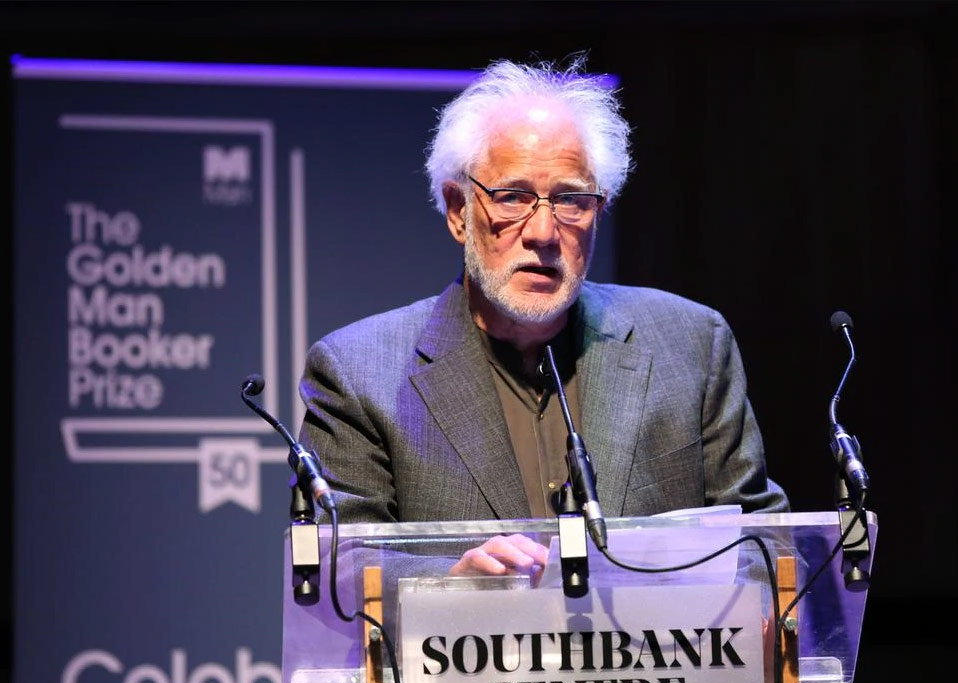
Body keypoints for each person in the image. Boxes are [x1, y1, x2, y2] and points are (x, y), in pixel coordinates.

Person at [298, 56, 788, 580]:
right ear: (459, 211)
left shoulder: (691, 345)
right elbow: (337, 563)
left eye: (570, 200)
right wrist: (448, 588)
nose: (544, 233)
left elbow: (763, 542)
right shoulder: (359, 372)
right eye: (512, 197)